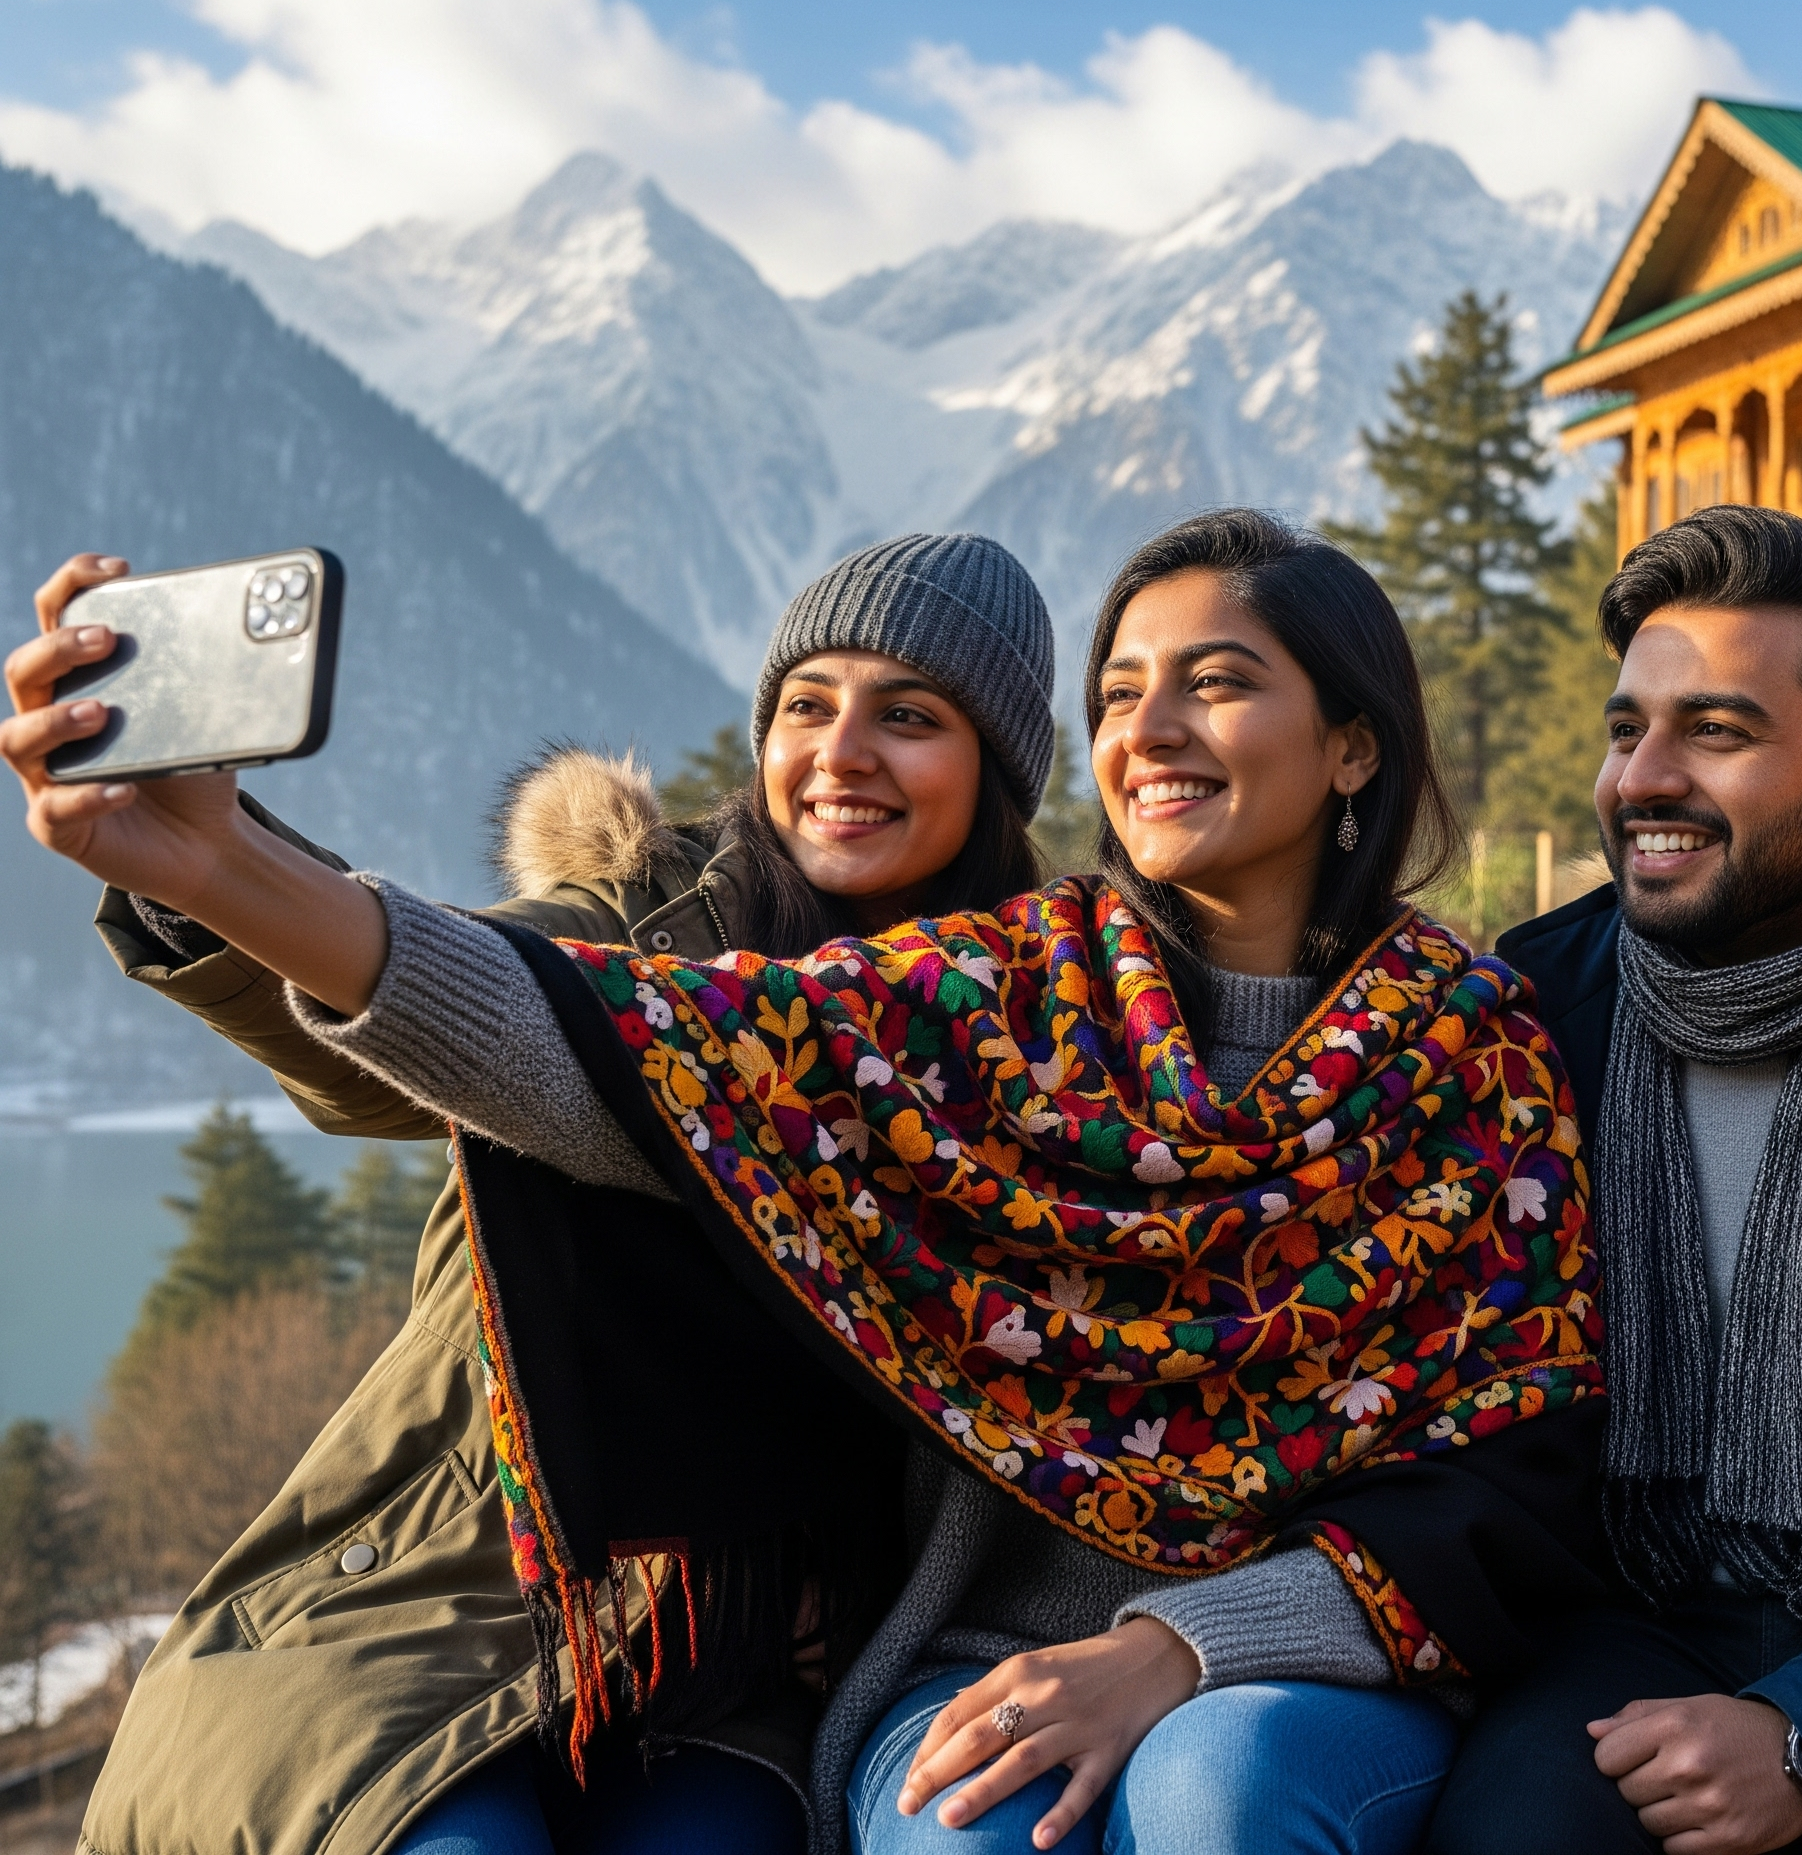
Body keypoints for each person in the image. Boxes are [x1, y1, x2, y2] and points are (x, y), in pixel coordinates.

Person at [6, 509, 1613, 1855]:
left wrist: (1180, 1644)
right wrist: (218, 869)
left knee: (1223, 1788)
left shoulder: (1468, 1055)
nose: (1157, 727)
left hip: (1085, 1664)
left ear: (1351, 746)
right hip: (522, 1612)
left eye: (1216, 683)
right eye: (1128, 689)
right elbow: (565, 1033)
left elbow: (1507, 1471)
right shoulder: (977, 1004)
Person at [9, 533, 1059, 1855]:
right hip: (439, 1613)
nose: (841, 750)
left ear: (1001, 769)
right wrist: (208, 870)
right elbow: (435, 1016)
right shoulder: (632, 934)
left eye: (907, 717)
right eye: (807, 705)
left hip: (738, 1683)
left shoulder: (1031, 1034)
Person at [1425, 505, 1802, 1855]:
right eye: (1626, 728)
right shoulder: (1527, 1025)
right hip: (1627, 1626)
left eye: (1716, 731)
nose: (1643, 778)